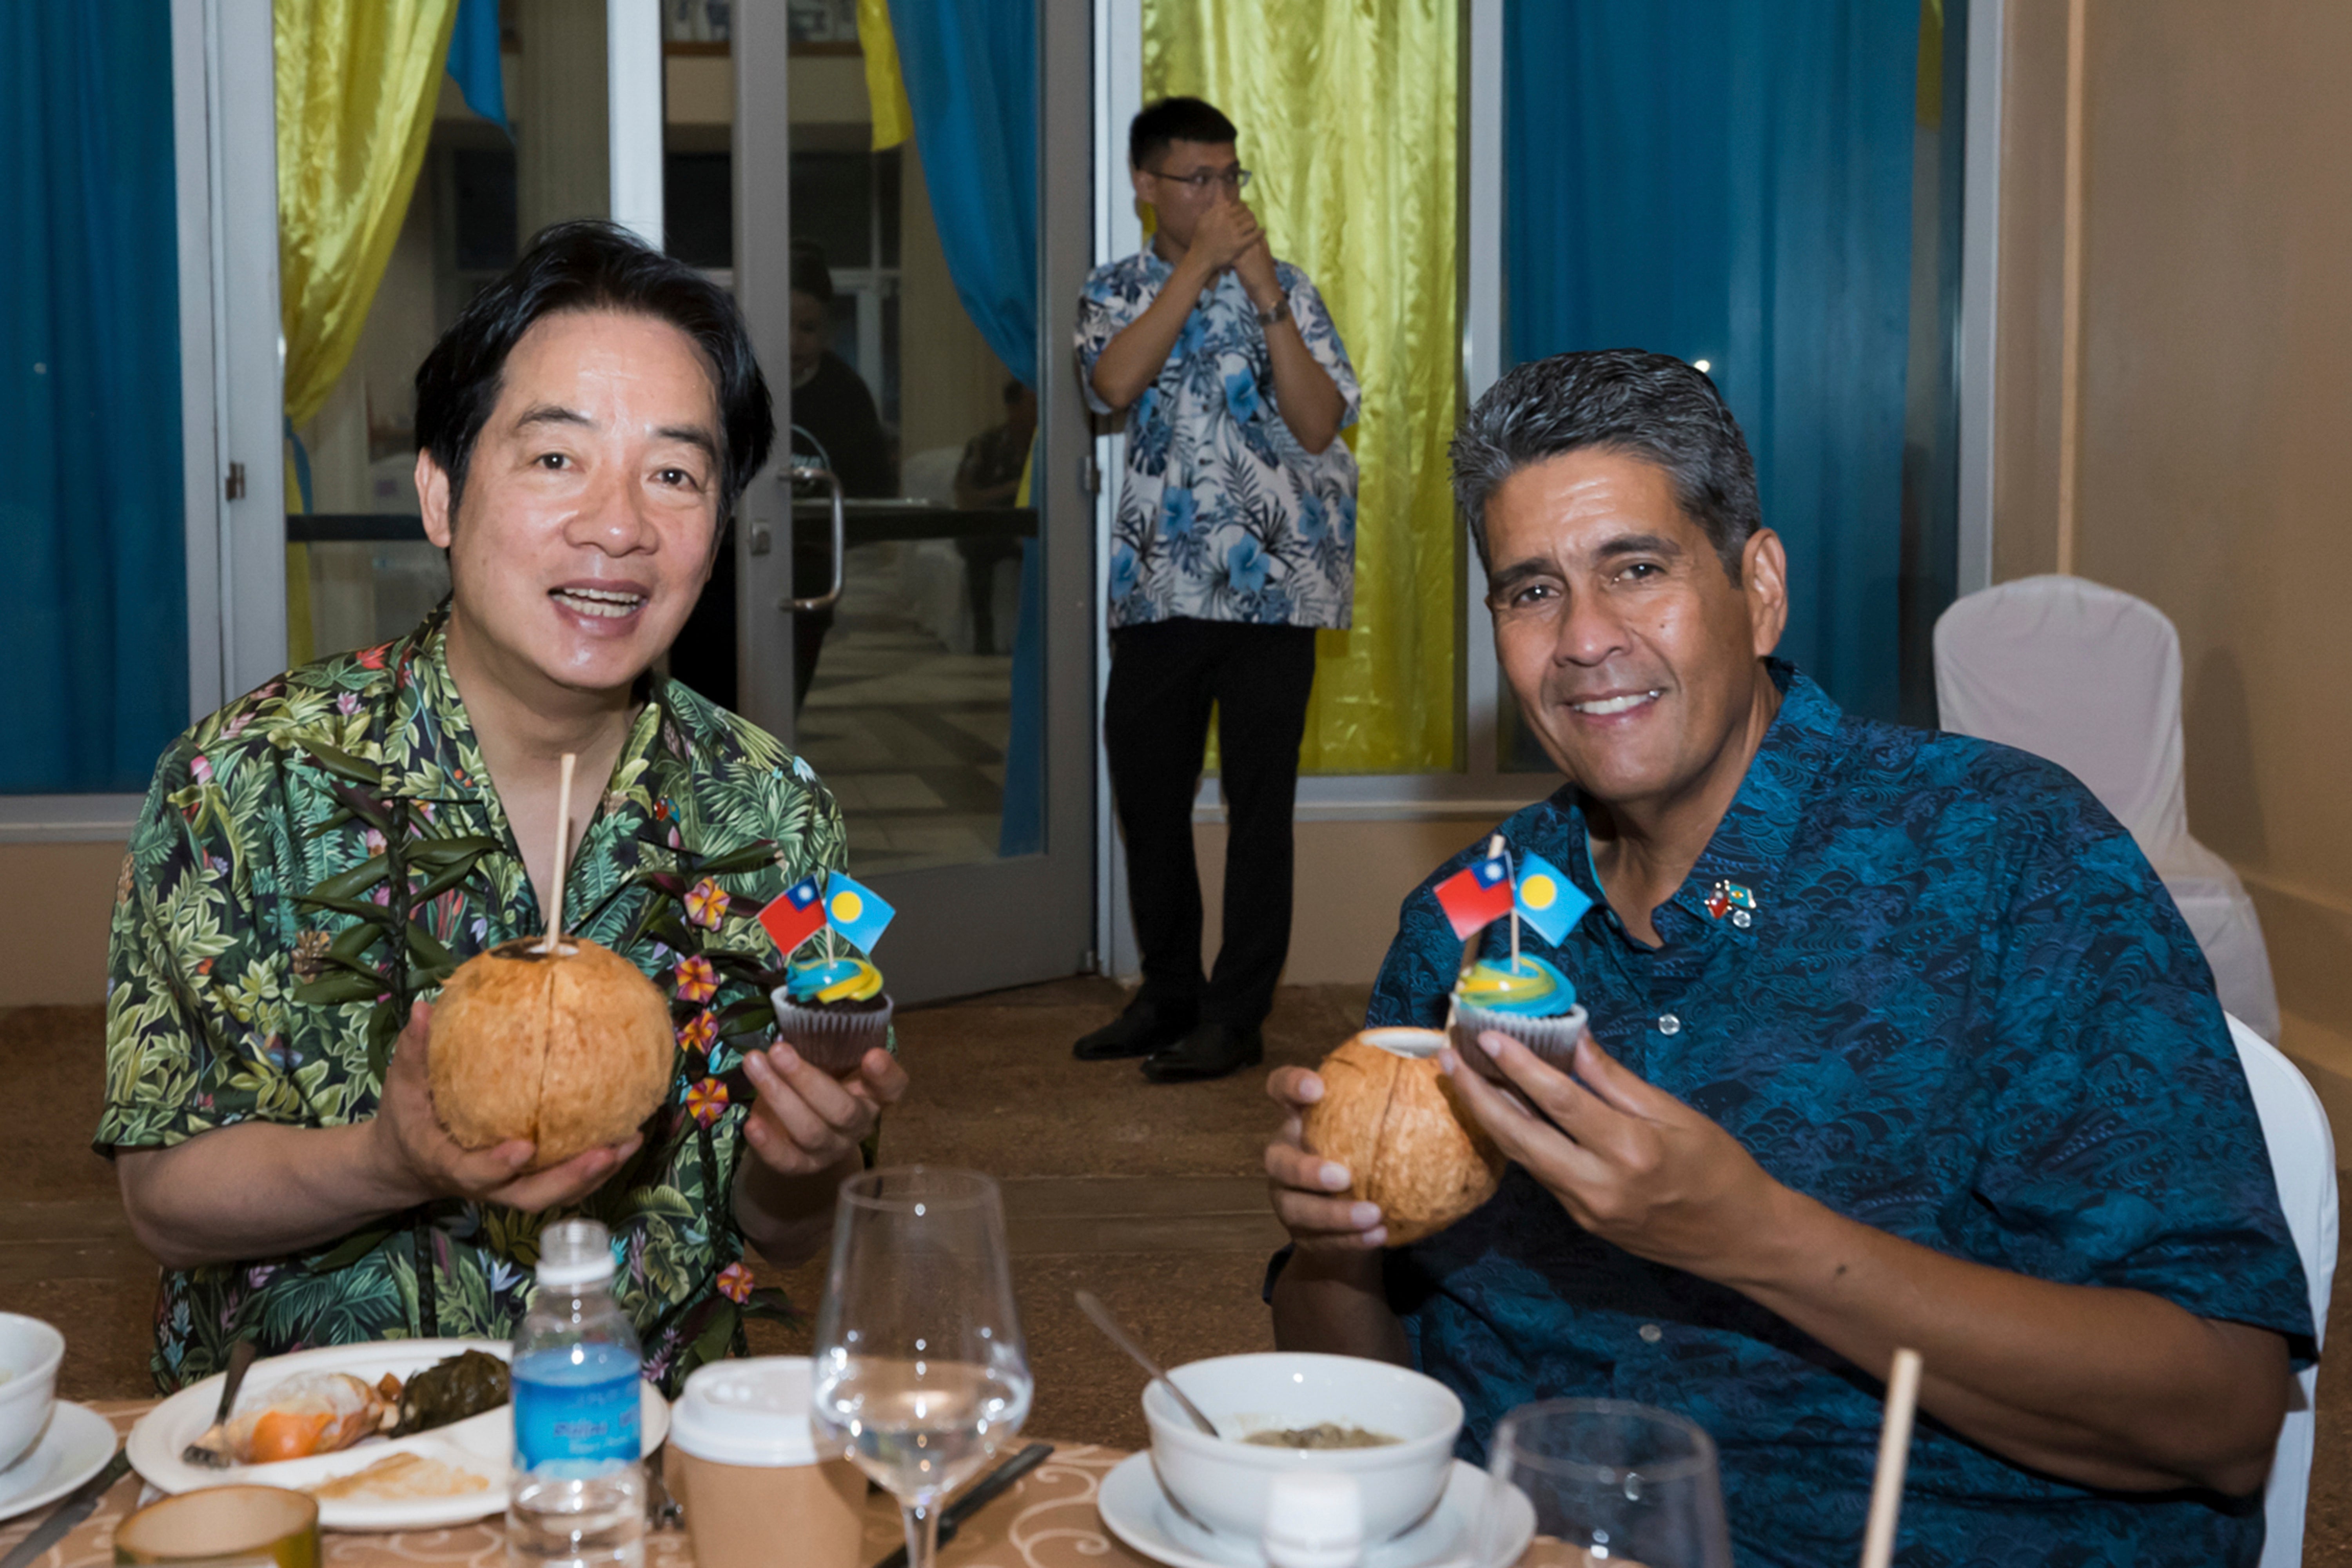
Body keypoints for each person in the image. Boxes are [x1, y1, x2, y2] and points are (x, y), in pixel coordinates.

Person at [1261, 350, 2311, 1566]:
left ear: (1758, 587)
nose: (1583, 640)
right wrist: (1338, 1240)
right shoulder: (1469, 916)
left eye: (1635, 569)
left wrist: (1753, 1235)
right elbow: (1362, 1396)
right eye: (1529, 591)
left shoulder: (2005, 858)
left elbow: (2222, 1413)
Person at [99, 221, 909, 1392]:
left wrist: (805, 1156)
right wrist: (391, 1157)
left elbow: (784, 1228)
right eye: (554, 459)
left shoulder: (778, 820)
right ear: (441, 491)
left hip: (648, 1440)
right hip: (325, 1447)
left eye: (674, 473)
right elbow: (163, 1200)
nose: (619, 523)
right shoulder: (242, 782)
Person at [1073, 96, 1361, 1083]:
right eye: (1199, 179)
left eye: (1231, 177)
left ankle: (1238, 1014)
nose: (1221, 196)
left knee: (1259, 809)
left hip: (1276, 595)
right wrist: (1195, 269)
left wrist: (1264, 291)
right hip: (1158, 588)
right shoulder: (1114, 291)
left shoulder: (1290, 290)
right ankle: (1167, 994)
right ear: (1147, 185)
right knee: (1148, 799)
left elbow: (1320, 424)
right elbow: (1113, 385)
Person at [669, 241, 892, 712]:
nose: (793, 341)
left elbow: (874, 490)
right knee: (703, 718)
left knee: (773, 718)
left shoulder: (845, 394)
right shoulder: (717, 381)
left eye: (808, 328)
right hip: (714, 582)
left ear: (830, 329)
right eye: (780, 323)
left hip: (804, 586)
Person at [953, 379, 1036, 656]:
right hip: (988, 527)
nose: (1038, 410)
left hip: (1029, 529)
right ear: (1013, 408)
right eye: (1032, 404)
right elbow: (966, 498)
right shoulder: (985, 445)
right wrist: (1010, 489)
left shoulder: (1047, 446)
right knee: (978, 549)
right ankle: (983, 636)